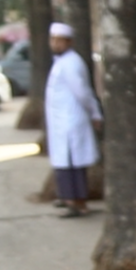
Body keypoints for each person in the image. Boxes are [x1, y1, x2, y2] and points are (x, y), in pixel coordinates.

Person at [45, 22, 102, 218]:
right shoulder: (62, 62)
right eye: (52, 40)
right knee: (65, 163)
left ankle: (78, 203)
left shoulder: (71, 63)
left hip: (71, 120)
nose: (55, 44)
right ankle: (69, 199)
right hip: (62, 122)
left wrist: (95, 113)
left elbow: (83, 92)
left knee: (73, 163)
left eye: (58, 40)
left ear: (68, 42)